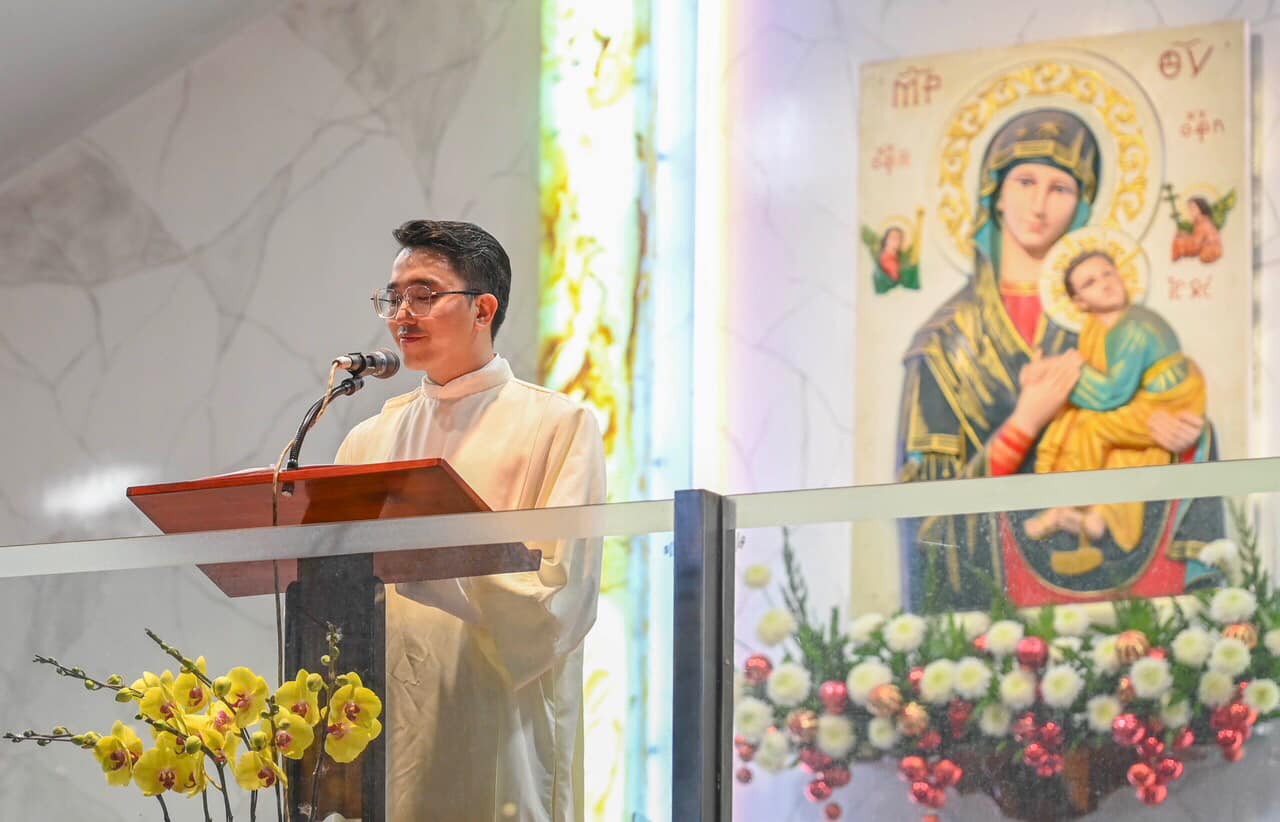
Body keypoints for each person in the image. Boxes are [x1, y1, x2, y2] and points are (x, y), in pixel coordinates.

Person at [334, 220, 606, 821]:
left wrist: (431, 569)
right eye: (393, 297)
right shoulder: (368, 440)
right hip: (386, 723)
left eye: (424, 295)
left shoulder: (558, 426)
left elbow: (561, 599)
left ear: (483, 309)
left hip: (500, 724)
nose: (402, 314)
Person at [895, 108, 1219, 608]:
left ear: (1082, 205)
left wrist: (1167, 428)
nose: (1039, 205)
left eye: (1060, 188)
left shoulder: (1108, 324)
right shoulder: (945, 343)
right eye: (1024, 181)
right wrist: (1023, 424)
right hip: (995, 597)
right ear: (994, 192)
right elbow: (925, 519)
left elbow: (1167, 411)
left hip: (1116, 578)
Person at [1023, 250, 1207, 574]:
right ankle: (1095, 520)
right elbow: (1102, 382)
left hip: (1167, 402)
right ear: (1080, 302)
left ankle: (1069, 502)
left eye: (1108, 273)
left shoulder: (1133, 327)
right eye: (1091, 282)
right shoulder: (1097, 328)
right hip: (1145, 401)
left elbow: (1110, 394)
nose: (1106, 284)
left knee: (1091, 426)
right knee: (1109, 443)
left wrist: (1055, 372)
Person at [1172, 196, 1224, 264]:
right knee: (1180, 238)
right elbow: (1197, 238)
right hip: (1208, 249)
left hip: (1210, 252)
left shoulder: (1203, 222)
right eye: (1189, 208)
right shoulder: (1201, 221)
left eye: (1193, 208)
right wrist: (1185, 235)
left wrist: (1183, 239)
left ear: (1201, 208)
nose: (1191, 211)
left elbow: (1196, 245)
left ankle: (1174, 262)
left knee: (1178, 242)